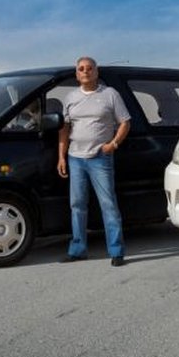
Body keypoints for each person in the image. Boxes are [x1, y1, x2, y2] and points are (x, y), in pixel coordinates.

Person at [57, 56, 131, 266]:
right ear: (76, 74)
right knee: (77, 205)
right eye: (81, 69)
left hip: (100, 157)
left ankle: (116, 251)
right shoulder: (70, 97)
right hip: (75, 158)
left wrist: (113, 144)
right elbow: (64, 129)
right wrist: (61, 156)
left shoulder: (110, 94)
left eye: (89, 68)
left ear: (96, 72)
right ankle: (78, 250)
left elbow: (125, 122)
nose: (85, 71)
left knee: (108, 204)